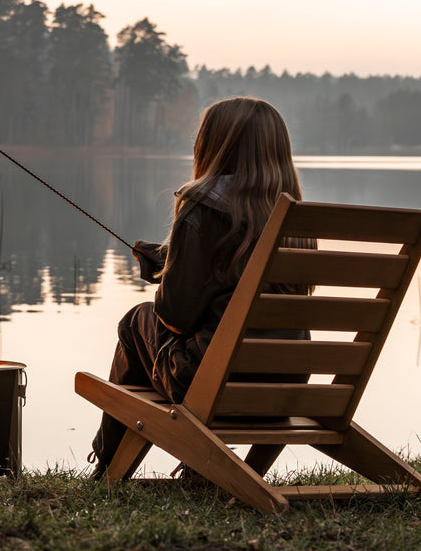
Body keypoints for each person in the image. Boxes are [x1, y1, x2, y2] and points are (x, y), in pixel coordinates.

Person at [89, 96, 312, 479]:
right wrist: (172, 260)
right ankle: (210, 467)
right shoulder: (294, 218)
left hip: (211, 384)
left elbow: (175, 317)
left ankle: (108, 465)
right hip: (285, 383)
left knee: (135, 321)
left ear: (214, 146)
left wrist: (174, 275)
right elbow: (240, 283)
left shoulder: (203, 204)